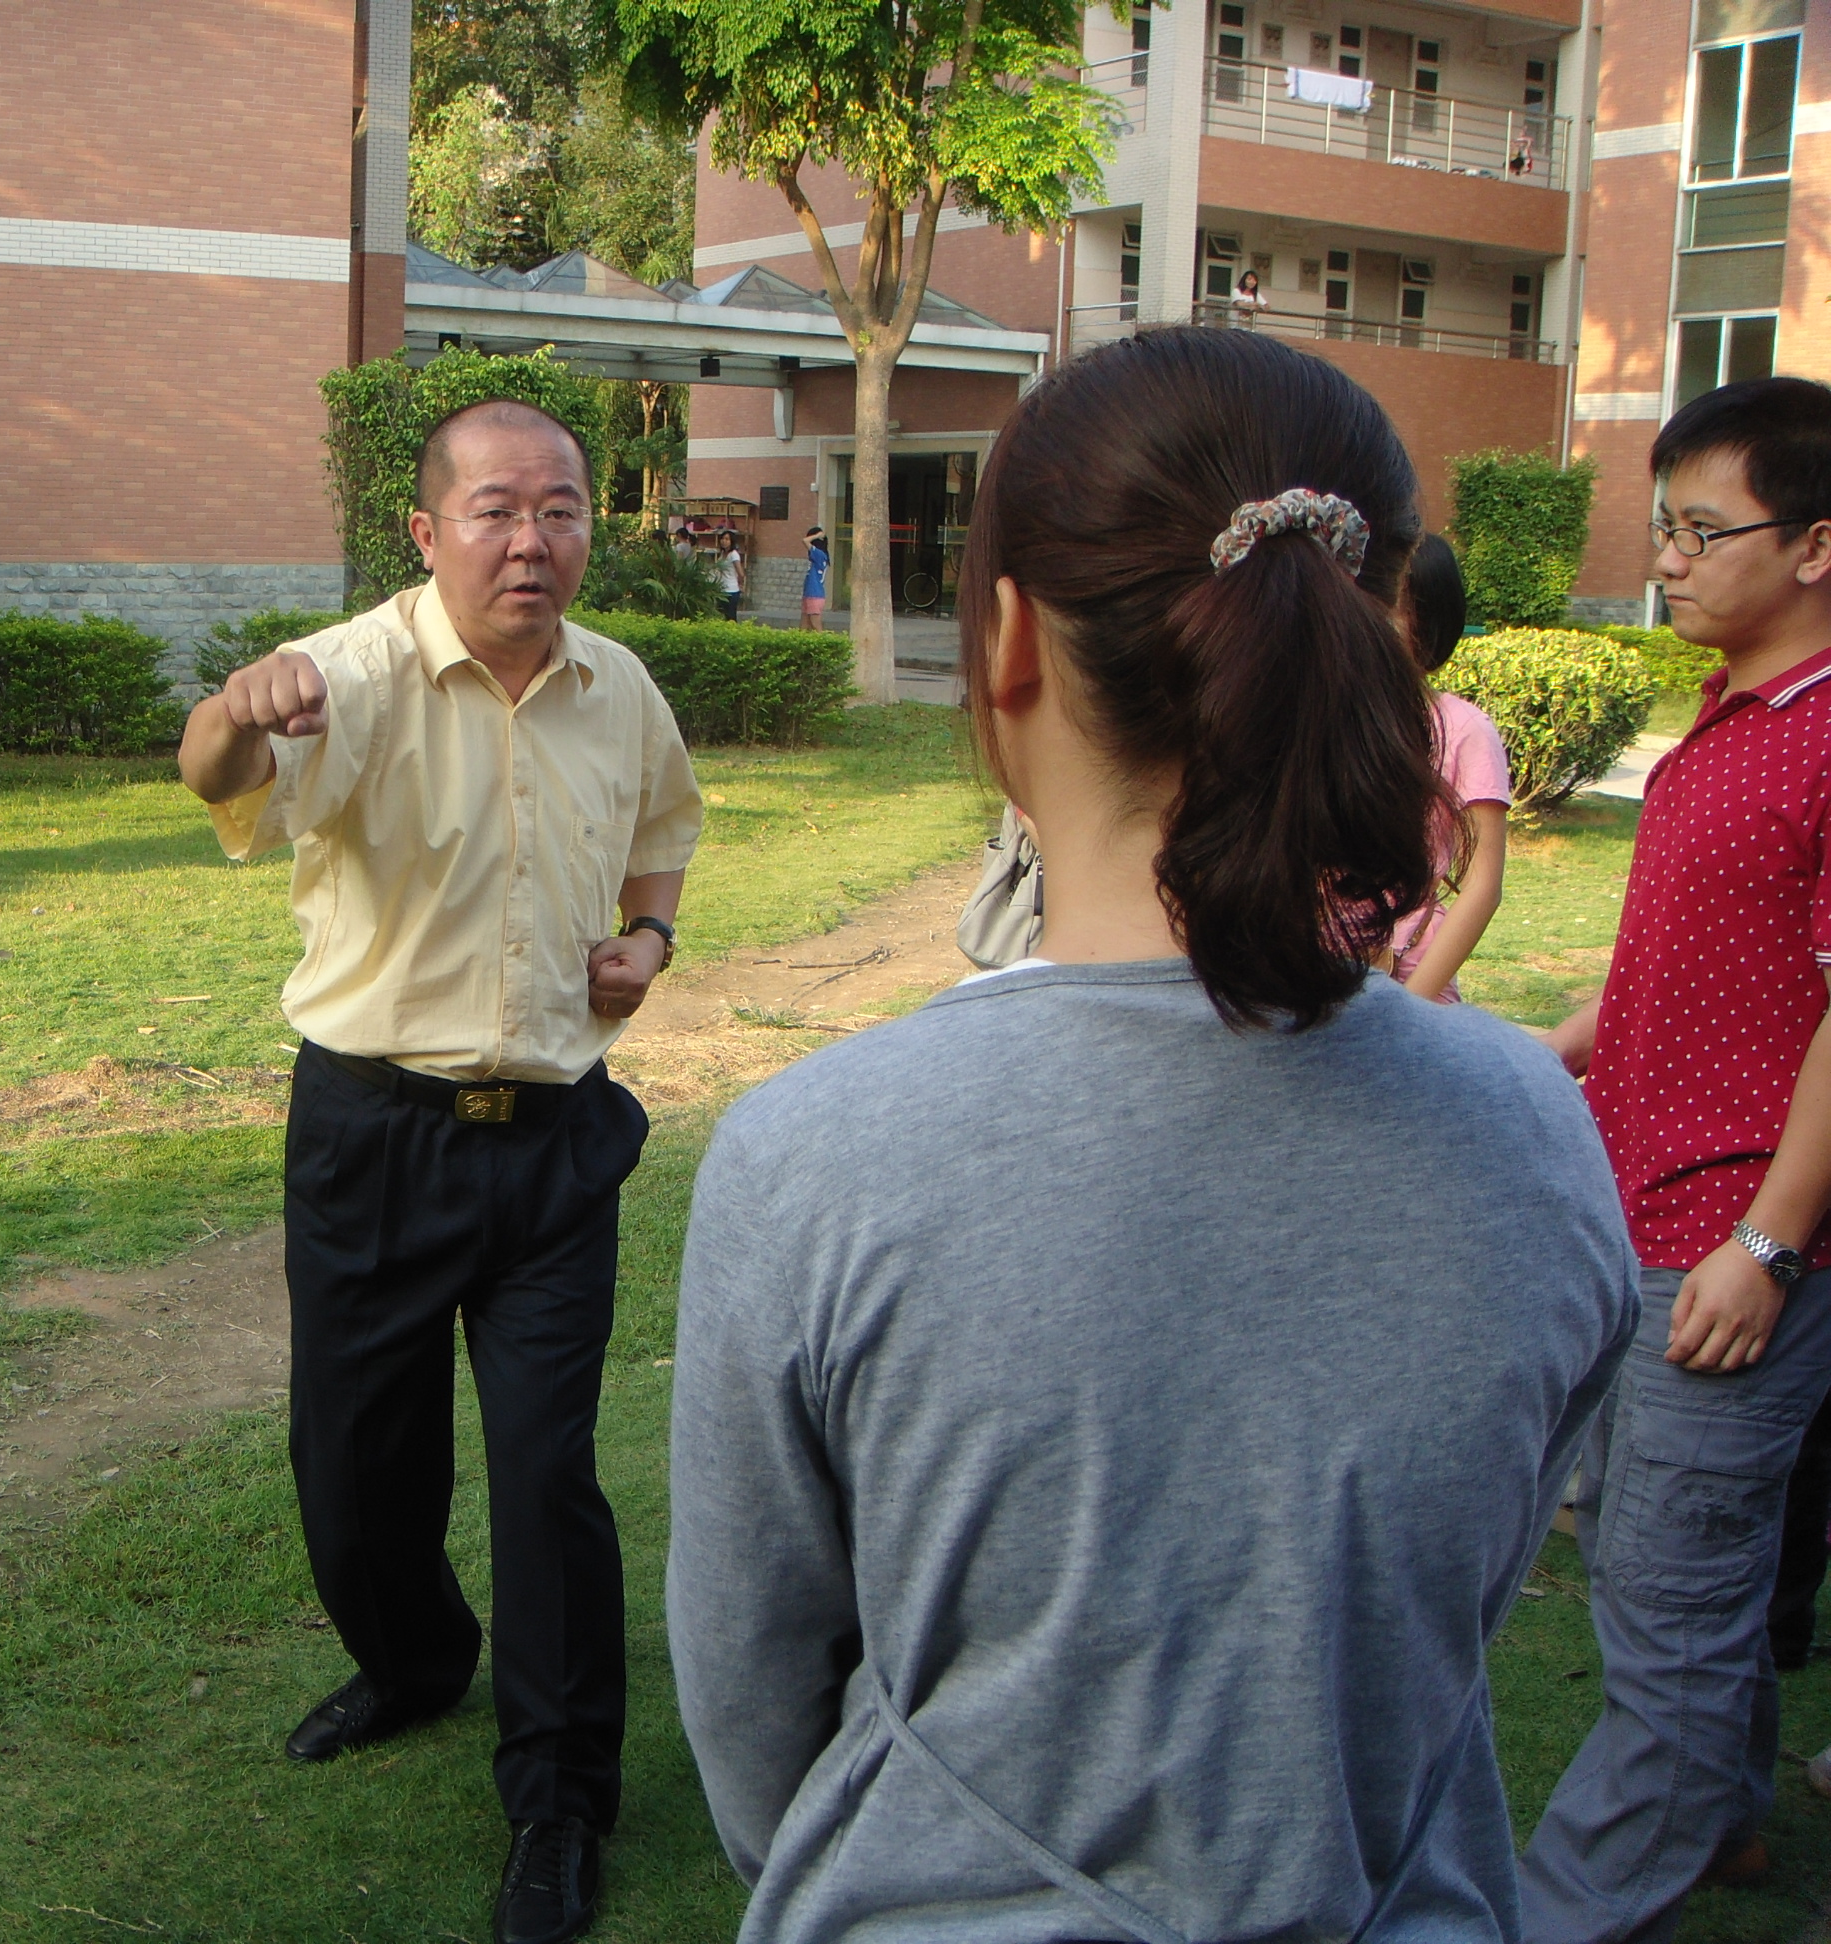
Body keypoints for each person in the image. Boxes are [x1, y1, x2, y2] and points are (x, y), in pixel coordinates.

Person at [666, 326, 1635, 1943]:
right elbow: (1453, 1576)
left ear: (1008, 641)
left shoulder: (813, 1160)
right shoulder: (1531, 1130)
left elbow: (753, 1707)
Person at [178, 397, 701, 1944]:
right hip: (374, 1140)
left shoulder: (622, 689)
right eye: (495, 510)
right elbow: (217, 776)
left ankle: (557, 1799)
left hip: (553, 1147)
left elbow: (665, 826)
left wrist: (651, 939)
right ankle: (413, 1663)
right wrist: (232, 706)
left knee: (548, 1478)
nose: (532, 539)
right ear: (427, 530)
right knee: (356, 1471)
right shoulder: (347, 677)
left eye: (561, 509)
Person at [1521, 375, 1831, 1929]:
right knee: (1677, 1560)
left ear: (1820, 544)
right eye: (1666, 529)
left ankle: (1557, 1906)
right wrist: (1540, 1053)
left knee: (1670, 1591)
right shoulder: (1723, 723)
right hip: (1636, 1210)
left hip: (1727, 1242)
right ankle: (1728, 1826)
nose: (1670, 559)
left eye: (1707, 531)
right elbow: (1674, 961)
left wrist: (1770, 1247)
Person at [1387, 535, 1510, 1001]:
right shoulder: (1320, 720)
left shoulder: (1464, 729)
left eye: (1393, 604)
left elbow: (1483, 886)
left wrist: (1411, 1005)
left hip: (1415, 983)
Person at [801, 526, 829, 629]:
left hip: (815, 594)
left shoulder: (819, 554)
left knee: (816, 624)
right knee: (804, 625)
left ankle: (823, 644)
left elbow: (805, 541)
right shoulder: (816, 556)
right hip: (809, 593)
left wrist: (817, 535)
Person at [714, 530, 745, 621]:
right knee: (721, 616)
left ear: (732, 541)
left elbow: (741, 573)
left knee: (730, 616)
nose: (724, 541)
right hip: (721, 589)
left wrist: (740, 584)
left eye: (727, 539)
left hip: (731, 590)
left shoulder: (734, 555)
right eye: (722, 539)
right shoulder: (723, 554)